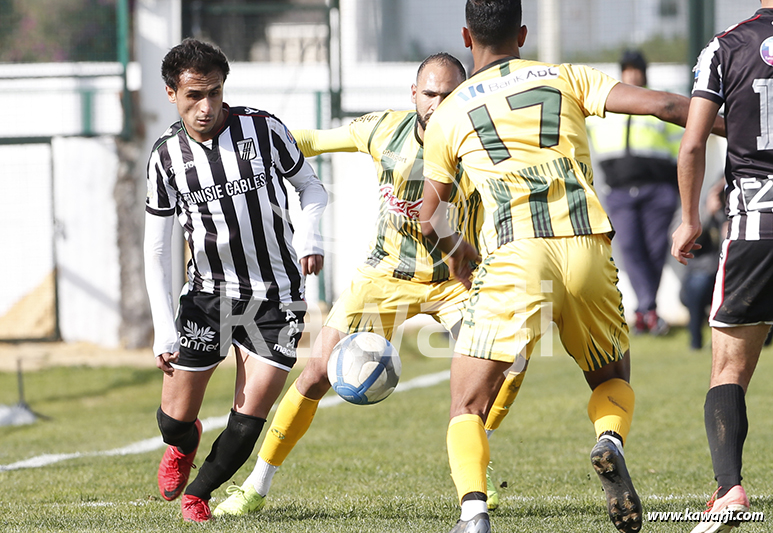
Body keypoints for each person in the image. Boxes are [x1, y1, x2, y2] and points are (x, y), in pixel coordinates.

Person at [419, 2, 724, 533]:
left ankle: (473, 514)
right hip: (585, 244)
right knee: (610, 377)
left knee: (468, 403)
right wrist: (747, 135)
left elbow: (428, 215)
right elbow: (668, 107)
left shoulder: (449, 111)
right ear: (523, 32)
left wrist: (455, 250)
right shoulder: (565, 77)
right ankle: (609, 441)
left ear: (466, 37)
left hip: (516, 253)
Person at [212, 52, 524, 517]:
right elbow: (313, 140)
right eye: (430, 94)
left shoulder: (484, 140)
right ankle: (256, 485)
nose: (439, 104)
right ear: (413, 95)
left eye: (450, 94)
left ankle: (477, 459)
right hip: (385, 277)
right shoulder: (384, 130)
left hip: (455, 280)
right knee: (316, 372)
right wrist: (247, 146)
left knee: (513, 363)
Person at [143, 38, 327, 523]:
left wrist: (311, 238)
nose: (206, 107)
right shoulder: (166, 157)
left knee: (248, 419)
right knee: (173, 421)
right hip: (207, 297)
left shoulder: (263, 130)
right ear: (171, 93)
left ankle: (198, 495)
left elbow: (310, 186)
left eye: (215, 94)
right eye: (193, 96)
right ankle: (183, 444)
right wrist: (164, 327)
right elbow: (158, 249)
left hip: (276, 296)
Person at [671, 2, 773, 531]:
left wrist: (690, 221)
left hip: (756, 226)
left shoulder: (724, 46)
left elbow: (692, 146)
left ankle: (729, 489)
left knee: (728, 368)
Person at [588, 50, 682, 336]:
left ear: (644, 72)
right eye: (627, 70)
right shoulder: (606, 106)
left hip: (658, 190)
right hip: (619, 191)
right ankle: (648, 309)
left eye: (636, 69)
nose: (632, 75)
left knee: (654, 251)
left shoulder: (660, 104)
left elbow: (681, 147)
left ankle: (645, 312)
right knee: (629, 248)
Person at [678, 179, 725, 351]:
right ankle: (695, 341)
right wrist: (707, 214)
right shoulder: (694, 209)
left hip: (732, 271)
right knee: (699, 282)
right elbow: (676, 240)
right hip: (704, 273)